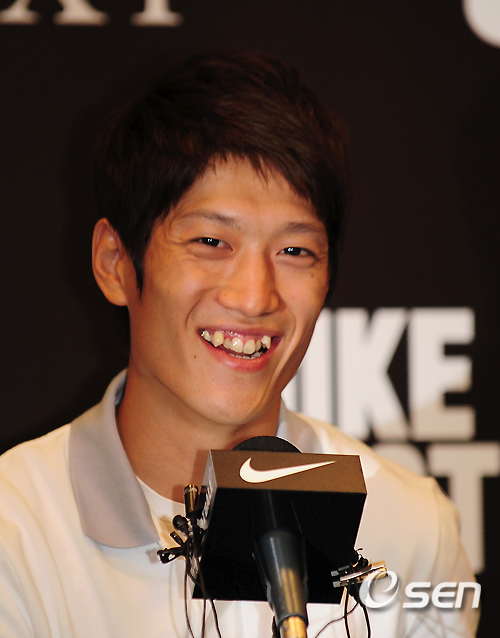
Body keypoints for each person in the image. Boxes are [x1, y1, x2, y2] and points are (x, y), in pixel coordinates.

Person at [0, 51, 478, 637]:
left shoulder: (409, 527)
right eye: (211, 241)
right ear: (115, 262)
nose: (254, 297)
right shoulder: (15, 530)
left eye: (294, 251)